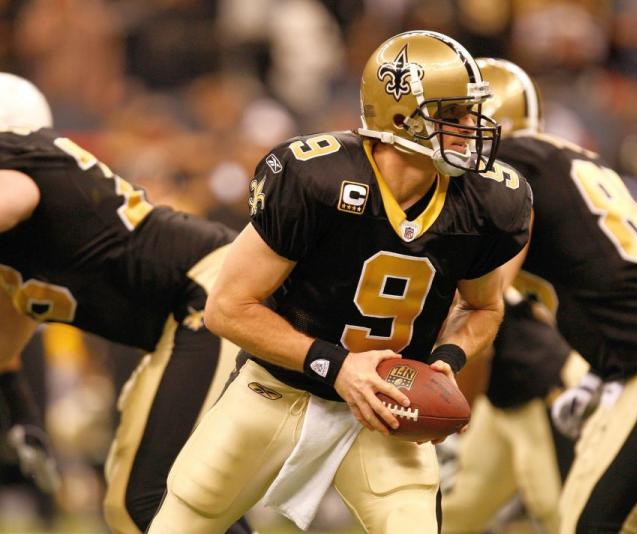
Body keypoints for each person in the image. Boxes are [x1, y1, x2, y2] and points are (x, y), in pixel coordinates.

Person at [148, 30, 532, 534]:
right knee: (184, 519)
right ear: (400, 116)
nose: (473, 127)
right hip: (278, 390)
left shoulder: (489, 203)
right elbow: (227, 307)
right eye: (454, 114)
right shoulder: (314, 178)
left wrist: (443, 364)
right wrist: (339, 366)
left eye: (471, 113)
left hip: (387, 409)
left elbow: (484, 308)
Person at [472, 58, 637, 533]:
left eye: (458, 119)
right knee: (605, 517)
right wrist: (600, 372)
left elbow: (494, 279)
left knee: (593, 524)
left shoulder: (517, 161)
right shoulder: (568, 161)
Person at [0, 72, 253, 534]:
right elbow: (5, 344)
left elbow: (11, 199)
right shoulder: (25, 239)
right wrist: (24, 416)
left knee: (149, 499)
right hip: (183, 316)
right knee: (131, 504)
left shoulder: (23, 169)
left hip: (213, 294)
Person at [441, 286, 586, 533]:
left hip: (540, 387)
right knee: (461, 505)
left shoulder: (451, 264)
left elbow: (475, 351)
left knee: (556, 507)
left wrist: (452, 417)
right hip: (498, 396)